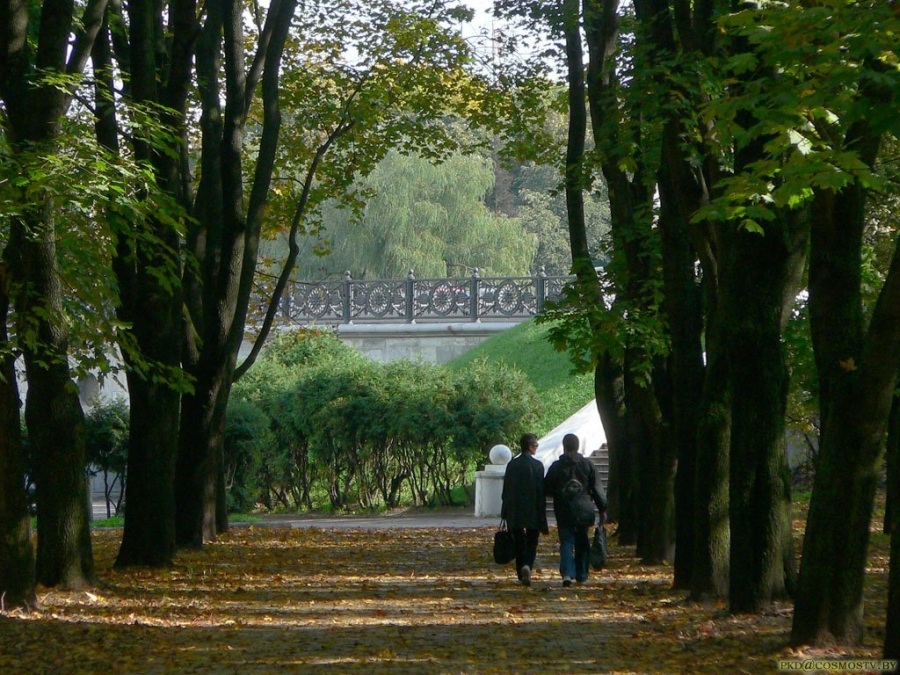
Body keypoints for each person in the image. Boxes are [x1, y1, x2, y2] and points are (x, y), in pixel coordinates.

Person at [544, 433, 608, 587]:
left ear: (564, 446)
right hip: (584, 508)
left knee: (566, 540)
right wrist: (603, 509)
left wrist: (559, 494)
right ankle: (582, 574)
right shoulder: (588, 465)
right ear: (578, 446)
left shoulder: (556, 466)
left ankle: (567, 573)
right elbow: (597, 489)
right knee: (582, 540)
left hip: (564, 508)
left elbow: (546, 488)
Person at [501, 433, 549, 586]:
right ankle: (527, 565)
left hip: (514, 510)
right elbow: (540, 493)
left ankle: (521, 572)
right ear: (530, 446)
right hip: (532, 510)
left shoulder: (512, 465)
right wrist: (543, 517)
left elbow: (506, 490)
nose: (536, 448)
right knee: (532, 541)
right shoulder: (537, 466)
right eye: (535, 445)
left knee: (519, 542)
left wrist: (505, 510)